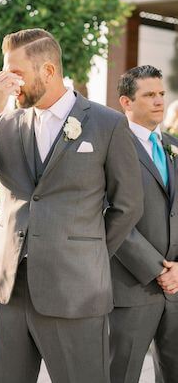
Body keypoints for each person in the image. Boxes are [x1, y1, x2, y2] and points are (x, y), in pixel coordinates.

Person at [0, 28, 144, 383]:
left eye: (16, 74)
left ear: (49, 72)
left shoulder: (108, 124)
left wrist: (89, 253)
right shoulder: (5, 123)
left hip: (76, 292)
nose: (8, 83)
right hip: (8, 290)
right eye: (4, 74)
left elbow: (128, 205)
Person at [109, 65, 178, 383]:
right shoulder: (111, 144)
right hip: (131, 287)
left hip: (176, 288)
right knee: (121, 375)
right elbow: (108, 211)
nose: (158, 101)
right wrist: (157, 269)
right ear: (126, 102)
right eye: (149, 95)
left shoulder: (172, 145)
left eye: (161, 94)